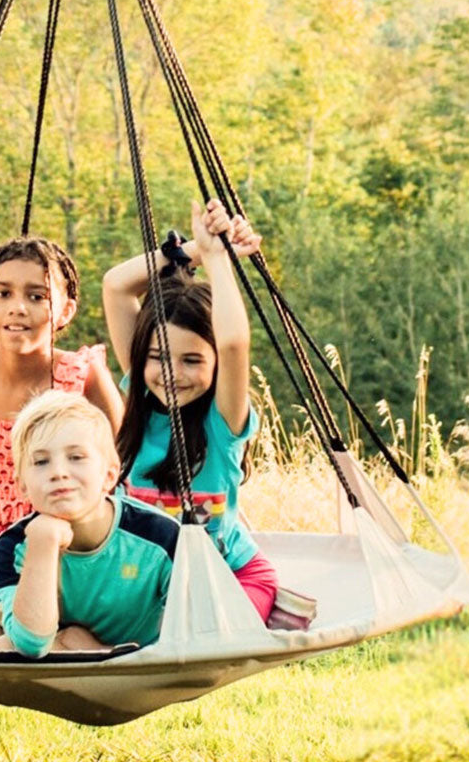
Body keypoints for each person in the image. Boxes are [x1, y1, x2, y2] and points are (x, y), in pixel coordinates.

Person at [102, 199, 279, 623]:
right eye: (158, 358)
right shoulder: (142, 398)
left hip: (232, 579)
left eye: (192, 360)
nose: (172, 374)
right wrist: (194, 251)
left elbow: (234, 342)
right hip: (152, 581)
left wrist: (218, 260)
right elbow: (116, 285)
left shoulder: (222, 421)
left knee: (210, 630)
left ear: (216, 363)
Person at [0, 236, 123, 551]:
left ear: (66, 311)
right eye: (3, 294)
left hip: (73, 543)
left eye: (37, 297)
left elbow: (122, 482)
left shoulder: (83, 376)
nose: (17, 308)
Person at [0, 391, 179, 655]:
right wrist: (43, 545)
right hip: (63, 652)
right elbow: (31, 643)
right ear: (22, 485)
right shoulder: (13, 547)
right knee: (1, 648)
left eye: (76, 457)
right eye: (41, 462)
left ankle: (96, 652)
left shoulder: (160, 536)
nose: (58, 472)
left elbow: (197, 627)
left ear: (109, 475)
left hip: (143, 659)